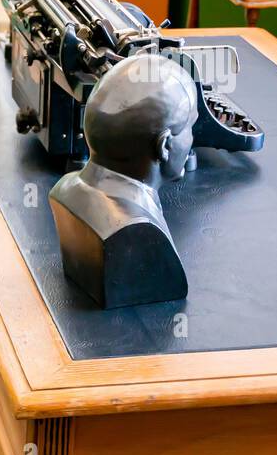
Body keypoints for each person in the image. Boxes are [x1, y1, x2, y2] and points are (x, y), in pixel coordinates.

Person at [49, 53, 198, 308]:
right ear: (164, 146)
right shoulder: (136, 233)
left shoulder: (65, 190)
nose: (193, 140)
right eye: (189, 128)